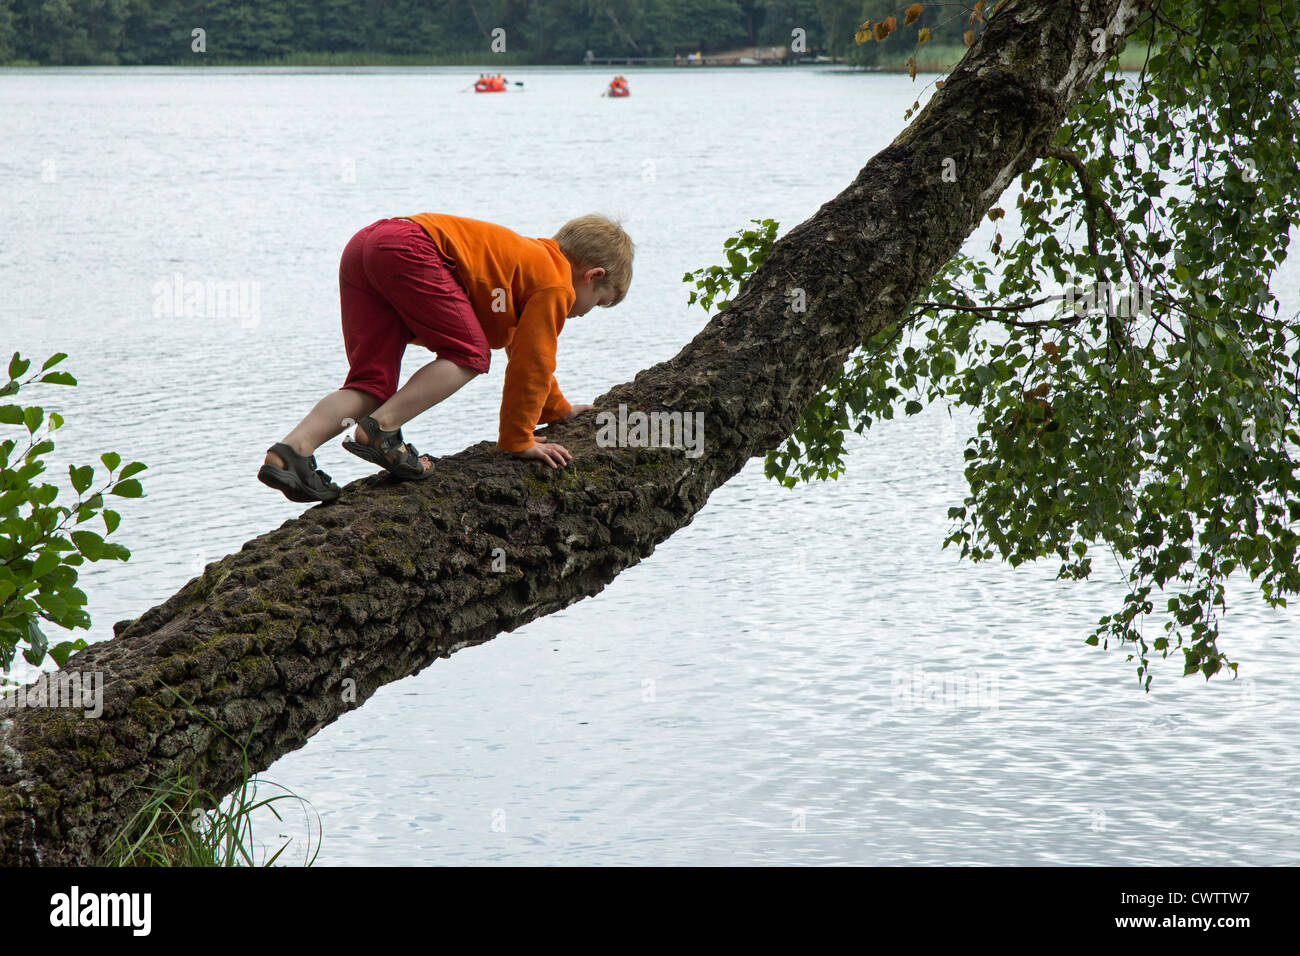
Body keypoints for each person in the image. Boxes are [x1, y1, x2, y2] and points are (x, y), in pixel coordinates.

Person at [257, 214, 635, 502]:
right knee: (469, 353)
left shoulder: (528, 264)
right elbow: (533, 364)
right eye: (599, 302)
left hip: (367, 245)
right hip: (410, 248)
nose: (585, 313)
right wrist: (518, 439)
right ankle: (380, 431)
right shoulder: (555, 283)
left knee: (371, 384)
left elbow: (525, 351)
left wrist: (555, 410)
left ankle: (291, 453)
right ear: (591, 275)